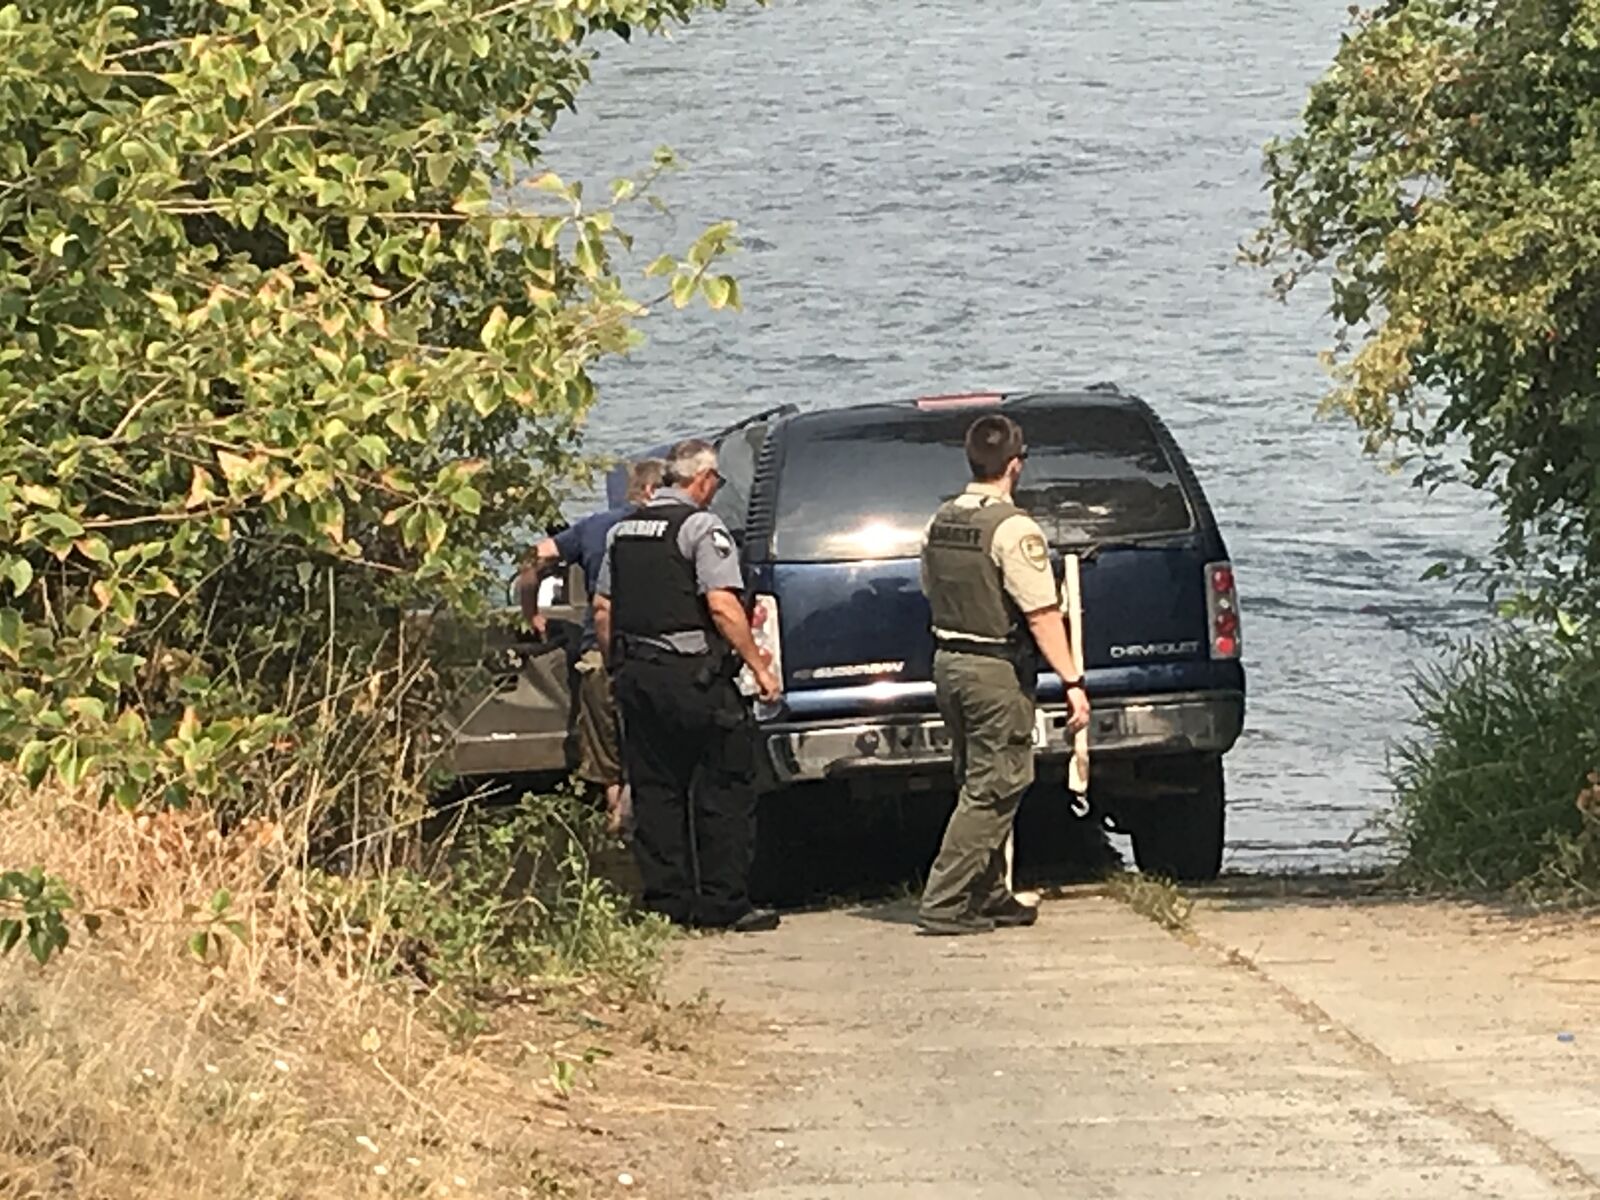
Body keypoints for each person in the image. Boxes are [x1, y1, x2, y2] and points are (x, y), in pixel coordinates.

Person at [592, 438, 783, 933]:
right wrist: (759, 667)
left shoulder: (623, 531)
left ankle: (667, 905)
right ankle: (724, 903)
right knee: (724, 787)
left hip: (638, 676)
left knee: (656, 791)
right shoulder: (701, 527)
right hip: (694, 679)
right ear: (703, 479)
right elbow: (722, 606)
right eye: (716, 481)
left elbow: (603, 609)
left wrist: (616, 667)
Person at [917, 414, 1092, 936]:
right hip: (994, 669)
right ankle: (946, 901)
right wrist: (1072, 682)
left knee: (975, 779)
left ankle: (988, 892)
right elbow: (1041, 614)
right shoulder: (1014, 529)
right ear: (1015, 465)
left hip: (949, 662)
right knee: (996, 786)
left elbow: (930, 587)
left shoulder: (941, 520)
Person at [518, 458, 666, 836]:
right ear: (654, 490)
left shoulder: (594, 526)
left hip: (599, 649)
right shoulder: (674, 526)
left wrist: (531, 613)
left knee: (606, 748)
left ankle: (616, 815)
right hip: (655, 648)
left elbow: (532, 559)